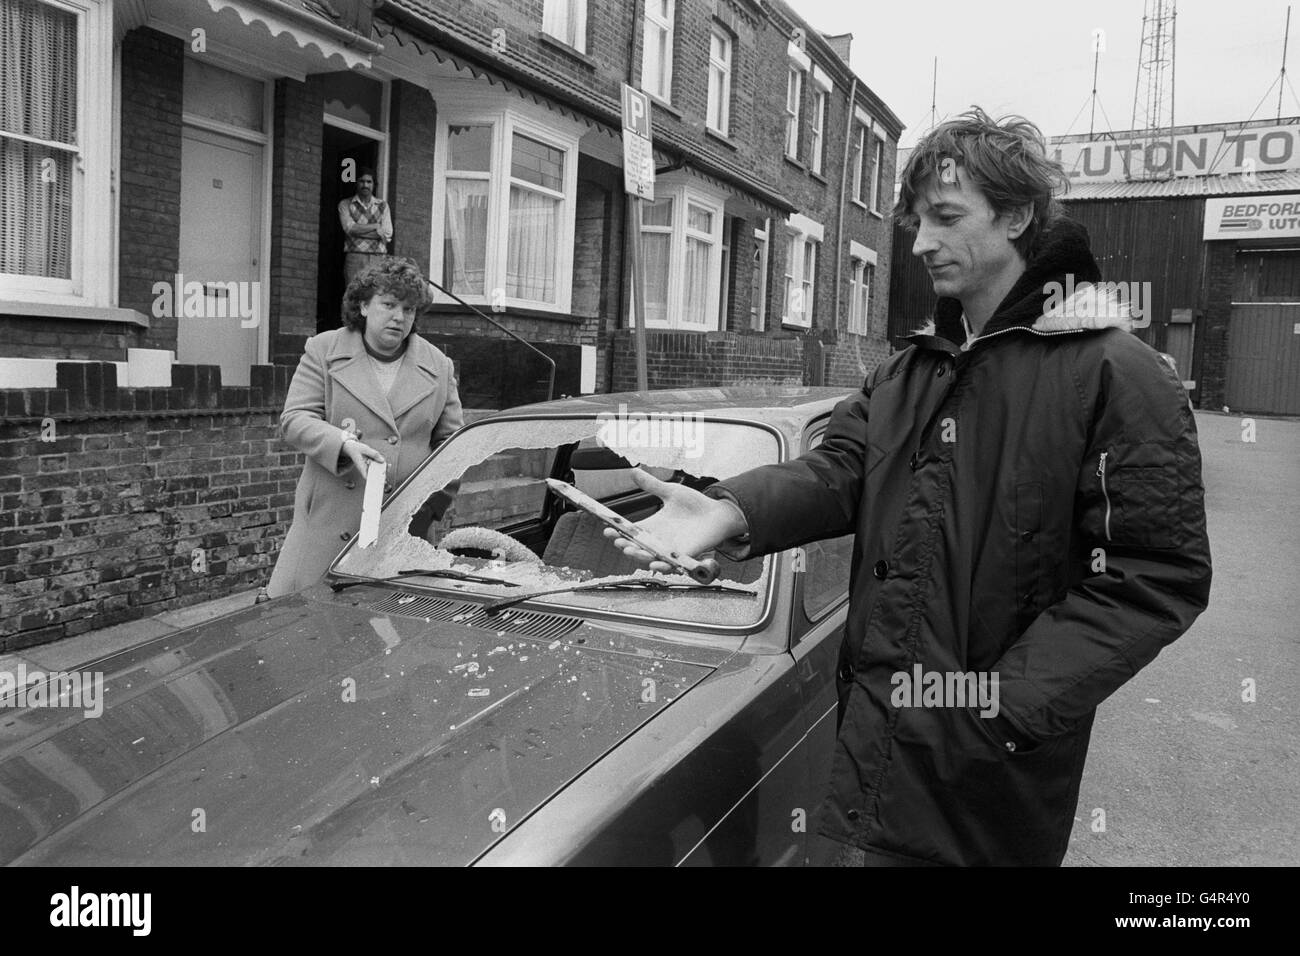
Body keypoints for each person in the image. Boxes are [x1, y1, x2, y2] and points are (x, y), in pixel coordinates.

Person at [608, 108, 1212, 866]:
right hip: (870, 755)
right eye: (916, 220)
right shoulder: (906, 372)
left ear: (1018, 214)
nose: (921, 243)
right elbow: (839, 473)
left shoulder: (1116, 374)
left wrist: (997, 711)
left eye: (947, 217)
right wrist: (731, 508)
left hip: (990, 786)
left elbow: (1154, 576)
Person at [267, 257, 463, 596]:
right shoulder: (324, 350)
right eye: (388, 304)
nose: (399, 317)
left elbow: (454, 448)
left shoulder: (438, 366)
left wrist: (429, 509)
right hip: (327, 526)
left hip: (401, 530)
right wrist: (342, 444)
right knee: (306, 626)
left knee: (389, 635)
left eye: (409, 309)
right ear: (363, 305)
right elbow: (295, 419)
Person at [339, 167, 393, 285]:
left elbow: (388, 233)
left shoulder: (382, 205)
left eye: (369, 182)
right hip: (355, 257)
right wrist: (376, 226)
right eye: (362, 181)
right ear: (356, 183)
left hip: (377, 257)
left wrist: (358, 232)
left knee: (375, 296)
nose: (365, 185)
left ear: (374, 184)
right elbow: (349, 229)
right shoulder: (346, 204)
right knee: (353, 296)